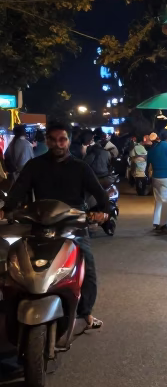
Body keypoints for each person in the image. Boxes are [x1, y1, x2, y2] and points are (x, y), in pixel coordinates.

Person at [0, 123, 109, 332]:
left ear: (68, 141)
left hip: (73, 225)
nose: (58, 144)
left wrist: (103, 211)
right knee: (15, 263)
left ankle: (86, 313)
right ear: (47, 141)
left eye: (62, 139)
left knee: (87, 269)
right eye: (53, 139)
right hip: (40, 224)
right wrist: (6, 209)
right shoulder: (34, 165)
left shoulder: (80, 167)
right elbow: (18, 190)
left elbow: (99, 192)